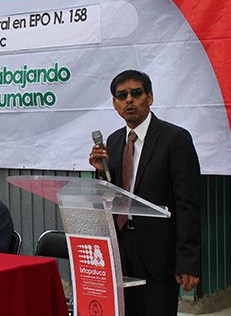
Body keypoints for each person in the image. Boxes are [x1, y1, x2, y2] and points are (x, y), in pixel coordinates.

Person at [89, 70, 201, 316]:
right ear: (115, 104)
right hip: (121, 248)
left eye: (136, 93)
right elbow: (114, 194)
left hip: (158, 253)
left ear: (149, 98)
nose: (129, 100)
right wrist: (101, 172)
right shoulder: (115, 141)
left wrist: (188, 261)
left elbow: (188, 204)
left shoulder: (175, 139)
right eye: (122, 95)